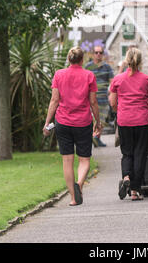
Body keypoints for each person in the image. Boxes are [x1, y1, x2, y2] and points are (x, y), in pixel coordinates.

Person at [43, 46, 101, 206]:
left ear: (69, 59)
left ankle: (73, 198)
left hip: (62, 122)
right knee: (84, 159)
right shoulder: (89, 75)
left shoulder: (59, 75)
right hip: (83, 122)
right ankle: (79, 184)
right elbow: (93, 102)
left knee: (67, 160)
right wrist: (98, 122)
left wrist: (47, 122)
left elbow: (54, 100)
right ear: (82, 60)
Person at [109, 47, 148, 201]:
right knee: (140, 154)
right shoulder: (146, 79)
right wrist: (146, 107)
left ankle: (126, 176)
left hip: (124, 120)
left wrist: (121, 110)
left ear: (126, 61)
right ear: (140, 61)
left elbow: (112, 102)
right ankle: (135, 190)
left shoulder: (118, 79)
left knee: (127, 152)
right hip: (142, 120)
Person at [85, 45, 114, 146]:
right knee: (89, 120)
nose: (98, 54)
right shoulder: (88, 67)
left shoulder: (107, 67)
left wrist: (111, 93)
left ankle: (97, 139)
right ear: (93, 54)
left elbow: (112, 82)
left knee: (101, 121)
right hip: (89, 99)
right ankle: (91, 139)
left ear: (103, 54)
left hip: (103, 99)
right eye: (96, 52)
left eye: (100, 53)